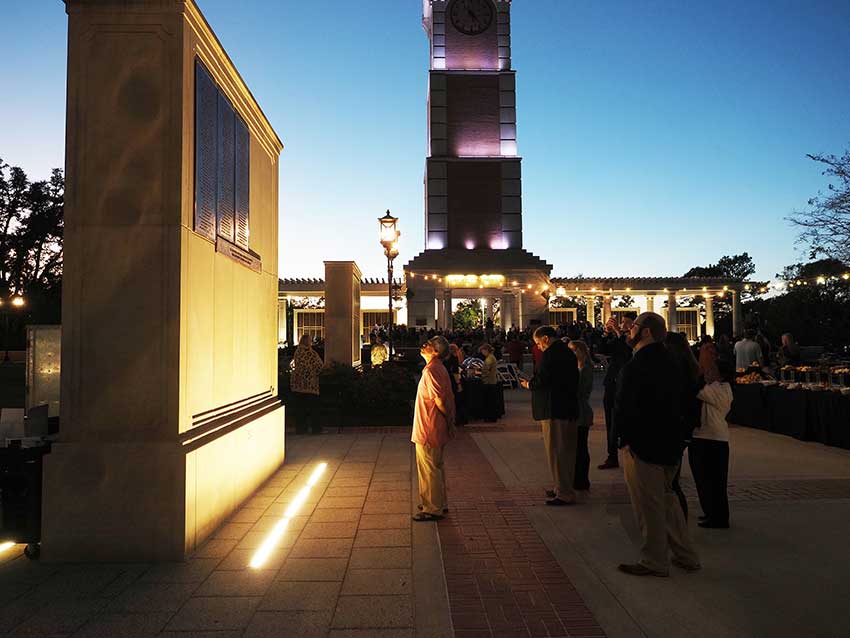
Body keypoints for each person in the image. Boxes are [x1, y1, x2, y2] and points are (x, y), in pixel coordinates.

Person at [615, 312, 701, 576]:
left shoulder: (640, 363)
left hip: (644, 445)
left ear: (647, 332)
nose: (629, 330)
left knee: (648, 504)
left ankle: (654, 560)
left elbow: (627, 405)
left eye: (634, 327)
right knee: (667, 500)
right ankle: (686, 555)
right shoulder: (673, 360)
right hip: (669, 442)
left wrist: (625, 440)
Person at [519, 326, 580, 505]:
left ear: (546, 338)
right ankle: (562, 486)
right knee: (566, 450)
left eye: (538, 343)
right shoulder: (566, 352)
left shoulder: (551, 354)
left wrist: (529, 384)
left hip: (554, 409)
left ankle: (563, 492)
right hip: (567, 407)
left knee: (556, 450)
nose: (538, 347)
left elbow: (544, 379)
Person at [412, 336, 456, 522]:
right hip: (434, 425)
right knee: (436, 466)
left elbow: (439, 400)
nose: (424, 346)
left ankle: (432, 507)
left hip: (429, 426)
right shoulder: (438, 368)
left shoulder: (431, 370)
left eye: (429, 345)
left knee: (429, 468)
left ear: (436, 352)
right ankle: (438, 502)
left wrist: (448, 419)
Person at [689, 363, 734, 529]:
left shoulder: (718, 389)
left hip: (707, 437)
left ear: (720, 376)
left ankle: (716, 516)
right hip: (717, 438)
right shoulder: (722, 389)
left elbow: (696, 390)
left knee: (707, 480)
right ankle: (714, 514)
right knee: (716, 482)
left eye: (712, 370)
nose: (708, 372)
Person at [664, 331, 701, 521]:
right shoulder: (691, 367)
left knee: (670, 482)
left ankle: (678, 521)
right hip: (682, 429)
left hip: (673, 427)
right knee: (673, 479)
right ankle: (679, 520)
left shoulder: (675, 369)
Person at [597, 314, 633, 469]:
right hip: (612, 383)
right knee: (610, 420)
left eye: (626, 322)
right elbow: (602, 350)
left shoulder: (633, 340)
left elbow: (626, 352)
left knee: (625, 419)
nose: (623, 325)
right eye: (621, 322)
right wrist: (606, 333)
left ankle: (630, 452)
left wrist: (618, 332)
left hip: (627, 386)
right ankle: (612, 455)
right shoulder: (619, 338)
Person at [568, 339, 594, 491]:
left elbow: (581, 390)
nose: (571, 353)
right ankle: (576, 478)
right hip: (576, 409)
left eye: (573, 350)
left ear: (580, 351)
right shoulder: (577, 367)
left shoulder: (586, 368)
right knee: (576, 447)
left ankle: (581, 480)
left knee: (581, 447)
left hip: (582, 411)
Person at [290, 334, 324, 435]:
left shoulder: (298, 352)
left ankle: (301, 429)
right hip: (310, 386)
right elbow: (319, 365)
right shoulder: (311, 353)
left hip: (299, 386)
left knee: (300, 409)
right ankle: (316, 429)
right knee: (314, 409)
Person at [479, 344, 501, 422]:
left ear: (486, 350)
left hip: (489, 382)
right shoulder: (491, 357)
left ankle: (489, 417)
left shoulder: (489, 359)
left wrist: (480, 374)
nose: (482, 353)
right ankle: (491, 417)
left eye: (482, 351)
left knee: (489, 401)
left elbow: (486, 371)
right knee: (491, 401)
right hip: (492, 381)